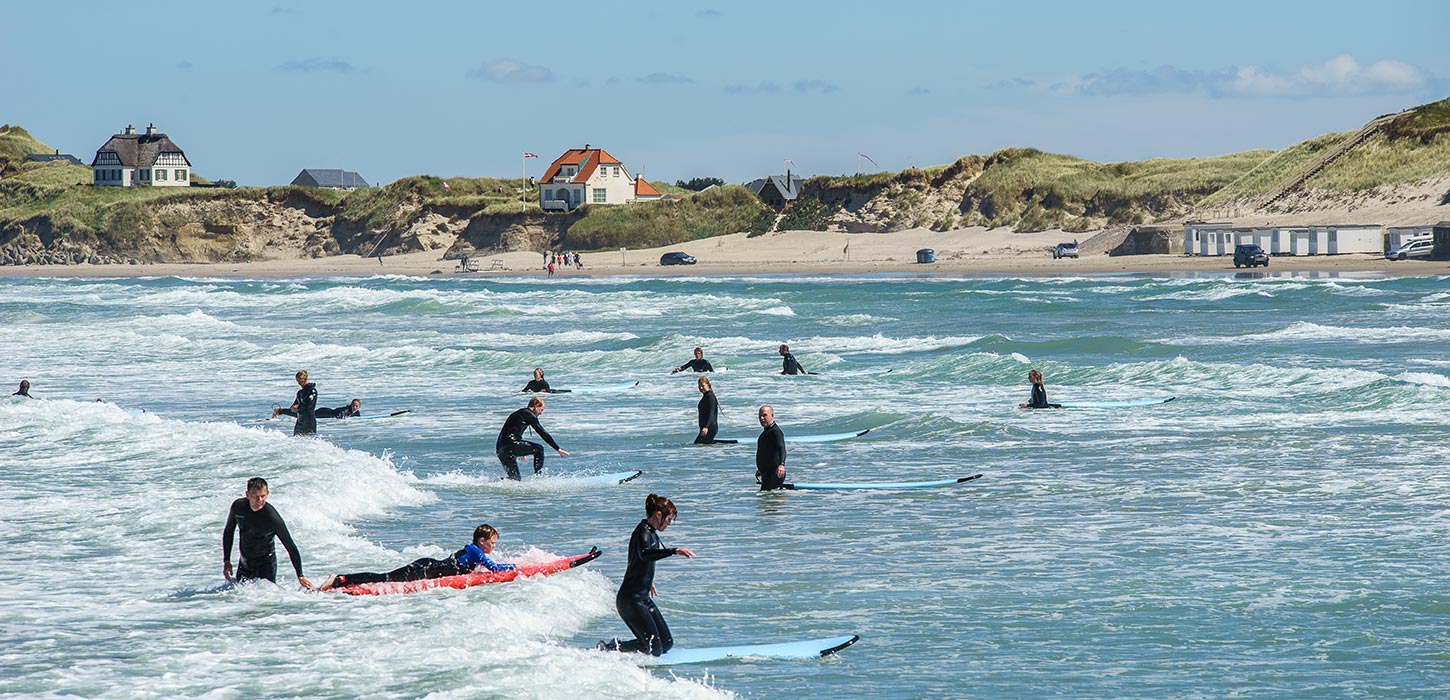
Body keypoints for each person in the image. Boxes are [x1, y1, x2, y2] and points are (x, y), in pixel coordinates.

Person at [598, 494, 695, 656]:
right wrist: (674, 551)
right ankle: (608, 648)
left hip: (642, 598)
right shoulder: (642, 532)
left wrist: (647, 578)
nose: (669, 523)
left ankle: (611, 648)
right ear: (658, 515)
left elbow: (638, 560)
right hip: (631, 600)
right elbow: (645, 554)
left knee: (666, 643)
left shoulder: (651, 532)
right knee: (653, 648)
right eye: (669, 519)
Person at [317, 524, 515, 590]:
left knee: (386, 577)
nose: (494, 546)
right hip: (428, 569)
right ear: (482, 541)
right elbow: (494, 568)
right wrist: (515, 567)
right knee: (386, 578)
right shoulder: (476, 551)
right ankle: (340, 579)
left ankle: (341, 581)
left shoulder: (473, 550)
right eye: (493, 542)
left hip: (428, 564)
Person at [222, 477, 313, 588]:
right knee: (240, 598)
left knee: (265, 600)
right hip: (245, 562)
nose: (259, 500)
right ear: (247, 494)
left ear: (267, 494)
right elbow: (228, 532)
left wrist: (300, 575)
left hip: (266, 564)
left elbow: (290, 545)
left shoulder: (271, 517)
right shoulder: (238, 507)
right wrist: (227, 560)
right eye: (255, 496)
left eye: (263, 496)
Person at [495, 396, 570, 480]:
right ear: (536, 406)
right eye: (541, 410)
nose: (541, 413)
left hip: (500, 448)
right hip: (511, 444)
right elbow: (542, 432)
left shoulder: (520, 413)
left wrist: (520, 449)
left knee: (515, 478)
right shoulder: (529, 415)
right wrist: (557, 448)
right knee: (539, 449)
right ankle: (539, 477)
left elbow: (512, 431)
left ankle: (493, 484)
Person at [693, 376, 736, 445]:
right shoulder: (706, 396)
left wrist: (706, 427)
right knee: (702, 445)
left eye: (703, 386)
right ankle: (729, 443)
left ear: (708, 385)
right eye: (699, 386)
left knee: (699, 445)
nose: (701, 388)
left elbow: (711, 413)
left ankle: (730, 443)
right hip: (706, 428)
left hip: (710, 427)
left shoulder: (710, 397)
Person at [755, 405, 787, 490]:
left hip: (775, 473)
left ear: (772, 416)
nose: (762, 418)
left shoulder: (775, 431)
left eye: (764, 415)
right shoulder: (767, 432)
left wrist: (781, 464)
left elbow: (782, 448)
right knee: (767, 500)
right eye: (760, 416)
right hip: (767, 474)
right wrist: (761, 469)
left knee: (770, 499)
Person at [284, 370, 318, 435]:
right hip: (300, 421)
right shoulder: (300, 393)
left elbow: (309, 406)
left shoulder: (312, 391)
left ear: (305, 379)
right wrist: (281, 411)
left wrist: (298, 407)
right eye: (297, 381)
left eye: (300, 381)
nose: (298, 383)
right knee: (296, 441)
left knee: (309, 441)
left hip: (309, 422)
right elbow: (293, 407)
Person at [277, 398, 361, 419]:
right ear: (351, 404)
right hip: (324, 412)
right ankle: (281, 411)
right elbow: (340, 415)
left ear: (359, 407)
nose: (354, 407)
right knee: (303, 415)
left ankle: (281, 411)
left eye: (356, 406)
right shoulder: (346, 410)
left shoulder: (356, 412)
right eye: (353, 405)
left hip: (327, 412)